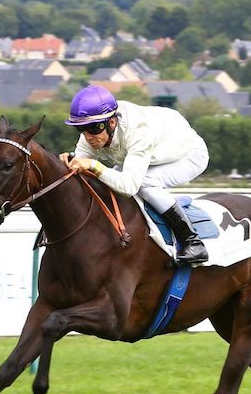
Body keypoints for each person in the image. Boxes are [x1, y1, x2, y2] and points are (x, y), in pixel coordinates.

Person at [61, 85, 210, 264]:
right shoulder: (92, 132)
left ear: (112, 122)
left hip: (190, 155)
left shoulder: (139, 131)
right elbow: (81, 167)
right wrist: (71, 162)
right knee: (111, 177)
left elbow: (129, 187)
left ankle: (192, 241)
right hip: (155, 154)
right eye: (81, 129)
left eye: (92, 129)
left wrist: (94, 165)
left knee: (145, 182)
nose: (87, 137)